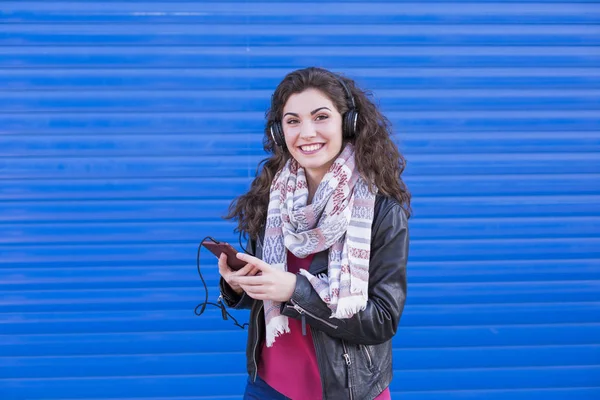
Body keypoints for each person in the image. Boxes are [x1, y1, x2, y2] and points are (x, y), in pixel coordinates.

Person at [218, 67, 411, 400]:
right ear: (280, 132)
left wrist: (295, 290)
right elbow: (268, 294)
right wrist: (238, 285)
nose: (306, 132)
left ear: (347, 123)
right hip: (268, 385)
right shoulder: (272, 198)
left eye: (320, 117)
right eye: (293, 121)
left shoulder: (382, 212)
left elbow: (381, 321)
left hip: (345, 392)